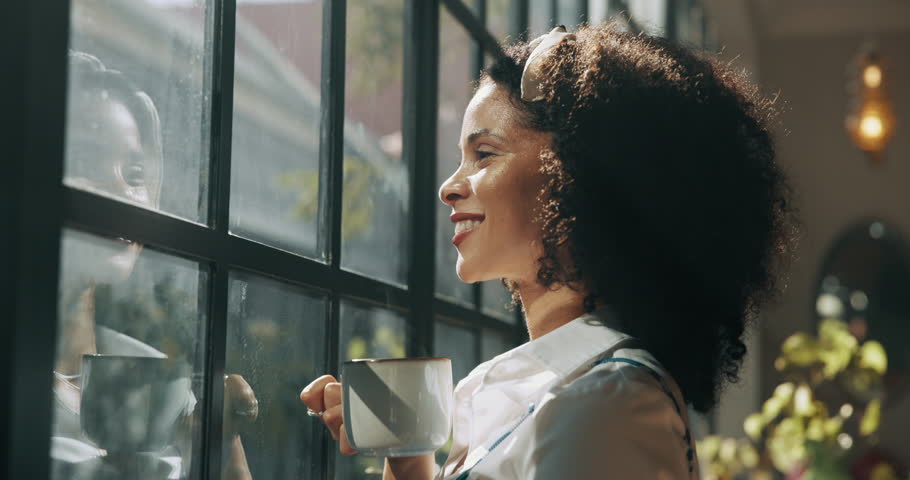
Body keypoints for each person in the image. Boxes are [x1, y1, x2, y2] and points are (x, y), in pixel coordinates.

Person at [301, 22, 794, 479]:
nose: (449, 187)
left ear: (580, 179)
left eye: (484, 154)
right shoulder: (511, 387)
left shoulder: (606, 405)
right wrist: (409, 462)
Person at [54, 51, 258, 480]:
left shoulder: (159, 377)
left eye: (134, 173)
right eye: (86, 163)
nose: (122, 193)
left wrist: (222, 437)